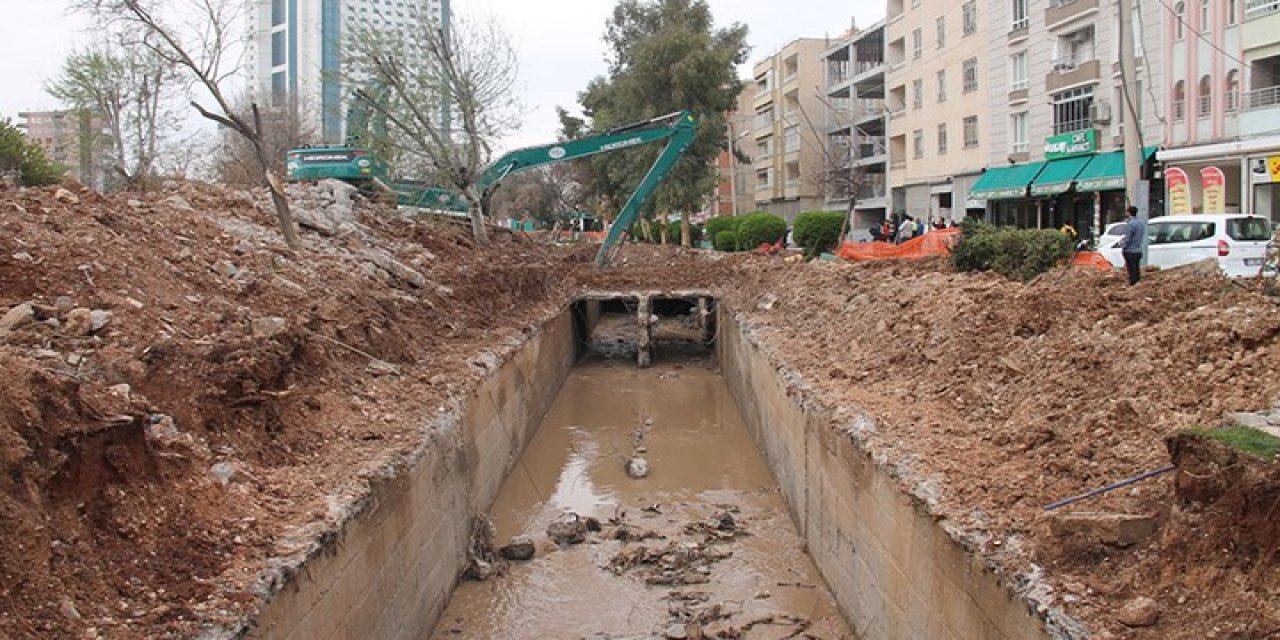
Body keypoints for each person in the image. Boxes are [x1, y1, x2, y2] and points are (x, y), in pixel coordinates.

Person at [1117, 205, 1146, 285]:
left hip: (1130, 251)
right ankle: (1138, 284)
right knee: (1136, 270)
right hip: (1138, 250)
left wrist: (1122, 246)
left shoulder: (1130, 224)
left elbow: (1127, 238)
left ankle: (1133, 285)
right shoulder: (1140, 224)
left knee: (1132, 271)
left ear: (1128, 213)